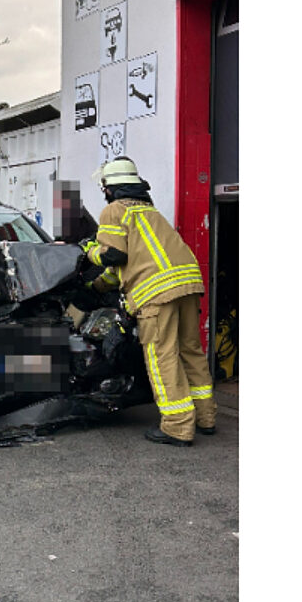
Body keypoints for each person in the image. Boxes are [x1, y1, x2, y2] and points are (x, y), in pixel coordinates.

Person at [82, 157, 217, 446]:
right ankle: (206, 417)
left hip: (157, 295)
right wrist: (96, 284)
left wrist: (88, 251)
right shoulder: (149, 212)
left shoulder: (114, 210)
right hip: (188, 284)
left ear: (109, 187)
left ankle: (178, 426)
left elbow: (113, 256)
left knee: (162, 355)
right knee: (190, 351)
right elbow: (123, 269)